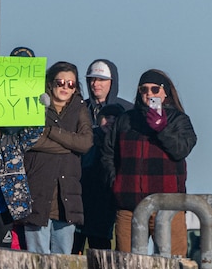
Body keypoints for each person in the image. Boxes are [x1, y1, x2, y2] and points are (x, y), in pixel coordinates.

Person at [102, 69, 197, 256]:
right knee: (126, 266)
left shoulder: (179, 119)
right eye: (143, 89)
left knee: (173, 266)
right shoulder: (126, 119)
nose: (149, 94)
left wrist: (162, 129)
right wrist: (116, 184)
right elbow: (108, 154)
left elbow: (181, 150)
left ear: (165, 92)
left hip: (168, 206)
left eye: (155, 89)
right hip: (129, 205)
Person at [23, 62, 94, 254]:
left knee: (63, 262)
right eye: (61, 82)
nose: (65, 87)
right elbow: (30, 140)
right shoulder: (35, 104)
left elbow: (86, 143)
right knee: (37, 261)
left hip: (67, 198)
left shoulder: (80, 108)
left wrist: (51, 132)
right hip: (38, 192)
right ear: (50, 83)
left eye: (70, 84)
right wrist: (70, 146)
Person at [75, 103, 125, 253]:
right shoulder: (87, 140)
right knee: (74, 246)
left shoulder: (122, 144)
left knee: (101, 251)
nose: (109, 121)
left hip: (105, 205)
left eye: (114, 118)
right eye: (106, 117)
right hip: (82, 200)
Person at [85, 59, 131, 123]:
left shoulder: (128, 110)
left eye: (101, 79)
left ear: (112, 82)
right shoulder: (80, 109)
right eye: (92, 79)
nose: (95, 84)